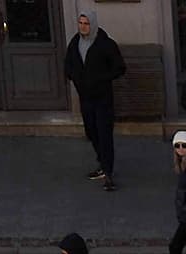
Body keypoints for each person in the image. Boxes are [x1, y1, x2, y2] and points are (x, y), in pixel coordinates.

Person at [64, 7, 125, 191]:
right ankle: (101, 162)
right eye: (80, 23)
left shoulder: (105, 44)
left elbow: (119, 68)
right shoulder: (75, 43)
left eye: (87, 24)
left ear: (93, 25)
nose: (83, 27)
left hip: (103, 97)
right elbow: (68, 64)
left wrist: (101, 78)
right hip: (85, 97)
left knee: (104, 133)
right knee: (91, 131)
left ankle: (108, 172)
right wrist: (75, 77)